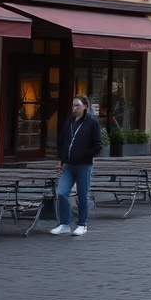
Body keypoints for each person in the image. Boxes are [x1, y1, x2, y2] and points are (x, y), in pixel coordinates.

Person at [52, 95, 102, 236]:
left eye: (77, 105)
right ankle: (65, 224)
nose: (74, 108)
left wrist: (85, 154)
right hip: (68, 164)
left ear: (85, 107)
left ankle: (82, 224)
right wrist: (62, 157)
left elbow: (97, 145)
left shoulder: (92, 123)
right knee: (61, 192)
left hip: (84, 165)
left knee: (82, 194)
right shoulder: (70, 122)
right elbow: (62, 140)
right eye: (73, 105)